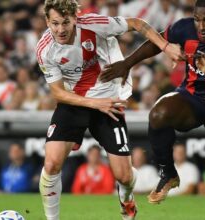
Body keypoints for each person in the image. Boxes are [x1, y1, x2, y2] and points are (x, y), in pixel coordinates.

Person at [101, 0, 205, 219]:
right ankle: (169, 173)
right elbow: (157, 42)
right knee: (158, 114)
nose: (201, 26)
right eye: (197, 19)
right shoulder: (184, 27)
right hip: (193, 98)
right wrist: (127, 63)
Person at [37, 1, 183, 220]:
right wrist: (95, 104)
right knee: (51, 163)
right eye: (55, 23)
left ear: (75, 18)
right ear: (47, 21)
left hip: (108, 101)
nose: (60, 29)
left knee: (124, 176)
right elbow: (57, 93)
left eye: (66, 22)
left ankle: (127, 200)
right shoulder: (45, 48)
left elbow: (136, 23)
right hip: (74, 103)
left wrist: (166, 46)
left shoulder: (94, 24)